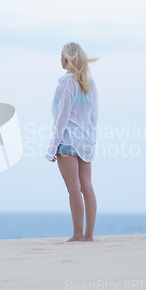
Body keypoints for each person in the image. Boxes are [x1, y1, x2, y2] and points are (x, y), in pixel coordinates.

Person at [45, 42, 99, 242]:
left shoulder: (66, 83)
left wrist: (52, 149)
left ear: (66, 60)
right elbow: (94, 117)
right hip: (86, 142)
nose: (60, 60)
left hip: (68, 141)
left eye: (61, 56)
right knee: (87, 186)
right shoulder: (90, 84)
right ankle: (89, 235)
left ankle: (77, 235)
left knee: (74, 188)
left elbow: (62, 118)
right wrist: (91, 141)